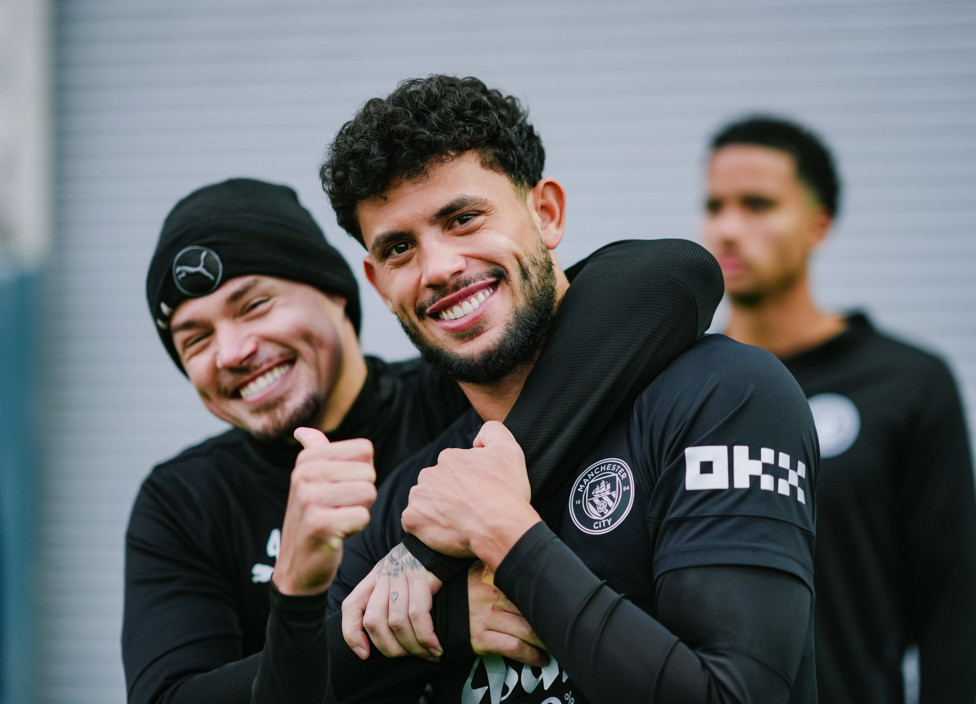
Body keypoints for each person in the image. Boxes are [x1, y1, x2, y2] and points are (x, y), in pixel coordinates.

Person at [122, 177, 724, 703]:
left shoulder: (456, 389)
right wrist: (430, 618)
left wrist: (424, 551)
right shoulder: (183, 501)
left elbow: (670, 275)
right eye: (194, 338)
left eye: (254, 306)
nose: (233, 352)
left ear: (338, 292)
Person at [320, 74, 820, 704]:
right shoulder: (418, 496)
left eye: (464, 218)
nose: (439, 267)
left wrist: (505, 535)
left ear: (547, 214)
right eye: (399, 248)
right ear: (377, 282)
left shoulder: (723, 396)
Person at [700, 114, 976, 704]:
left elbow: (954, 602)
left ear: (817, 224)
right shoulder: (683, 383)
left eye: (757, 204)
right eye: (715, 204)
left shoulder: (907, 384)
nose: (726, 227)